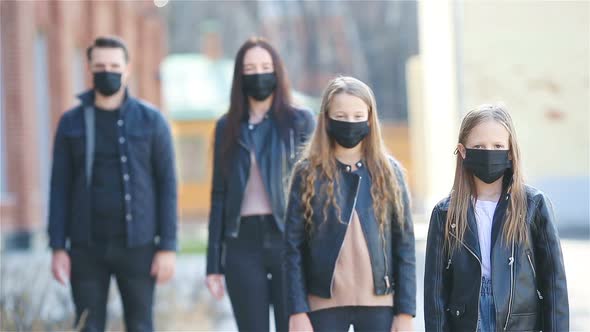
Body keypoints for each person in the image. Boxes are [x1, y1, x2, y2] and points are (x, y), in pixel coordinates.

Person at [48, 36, 178, 332]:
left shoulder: (152, 121)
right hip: (86, 247)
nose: (108, 71)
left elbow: (167, 185)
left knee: (141, 325)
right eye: (101, 66)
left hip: (139, 245)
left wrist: (167, 246)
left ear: (127, 69)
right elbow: (59, 188)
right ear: (90, 69)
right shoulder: (71, 123)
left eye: (115, 66)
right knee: (87, 327)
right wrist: (57, 247)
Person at [285, 76, 416, 332]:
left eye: (358, 116)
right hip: (323, 307)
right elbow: (292, 249)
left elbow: (405, 247)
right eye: (341, 116)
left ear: (370, 119)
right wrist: (297, 311)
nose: (350, 123)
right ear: (326, 119)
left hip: (381, 307)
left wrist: (405, 312)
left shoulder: (390, 173)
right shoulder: (307, 173)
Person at [424, 104, 569, 331]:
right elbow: (435, 292)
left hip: (520, 322)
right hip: (467, 320)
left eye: (498, 145)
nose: (489, 152)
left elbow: (554, 282)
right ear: (463, 152)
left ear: (510, 152)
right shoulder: (445, 213)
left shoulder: (534, 205)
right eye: (479, 146)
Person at [205, 37, 315, 332]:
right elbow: (219, 196)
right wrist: (213, 263)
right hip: (242, 245)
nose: (258, 73)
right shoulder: (225, 127)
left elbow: (316, 190)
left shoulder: (300, 122)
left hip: (287, 240)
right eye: (250, 67)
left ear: (277, 72)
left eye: (265, 66)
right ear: (240, 75)